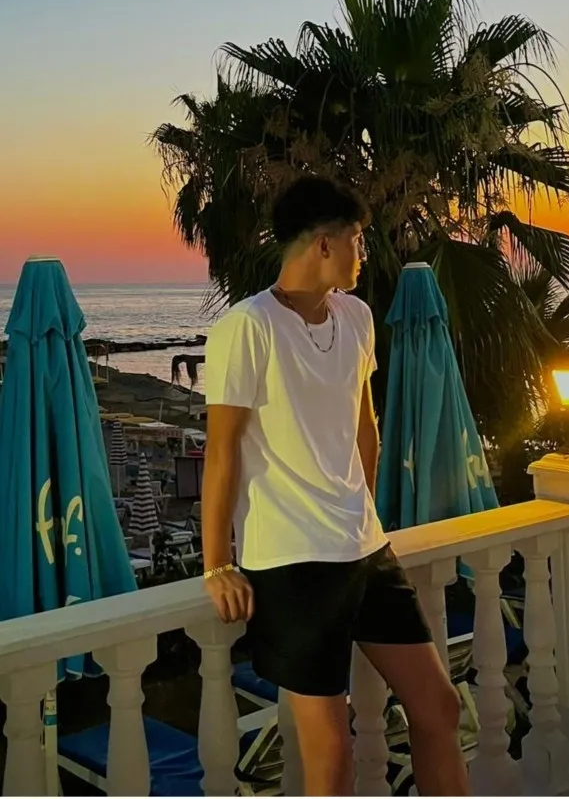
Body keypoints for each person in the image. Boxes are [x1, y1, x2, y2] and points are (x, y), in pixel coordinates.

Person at [201, 175, 468, 796]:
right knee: (331, 758)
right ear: (324, 244)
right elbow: (221, 451)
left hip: (364, 549)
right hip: (293, 563)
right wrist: (217, 563)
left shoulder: (356, 317)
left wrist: (362, 510)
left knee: (440, 708)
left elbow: (364, 427)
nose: (363, 252)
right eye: (357, 239)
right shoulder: (248, 327)